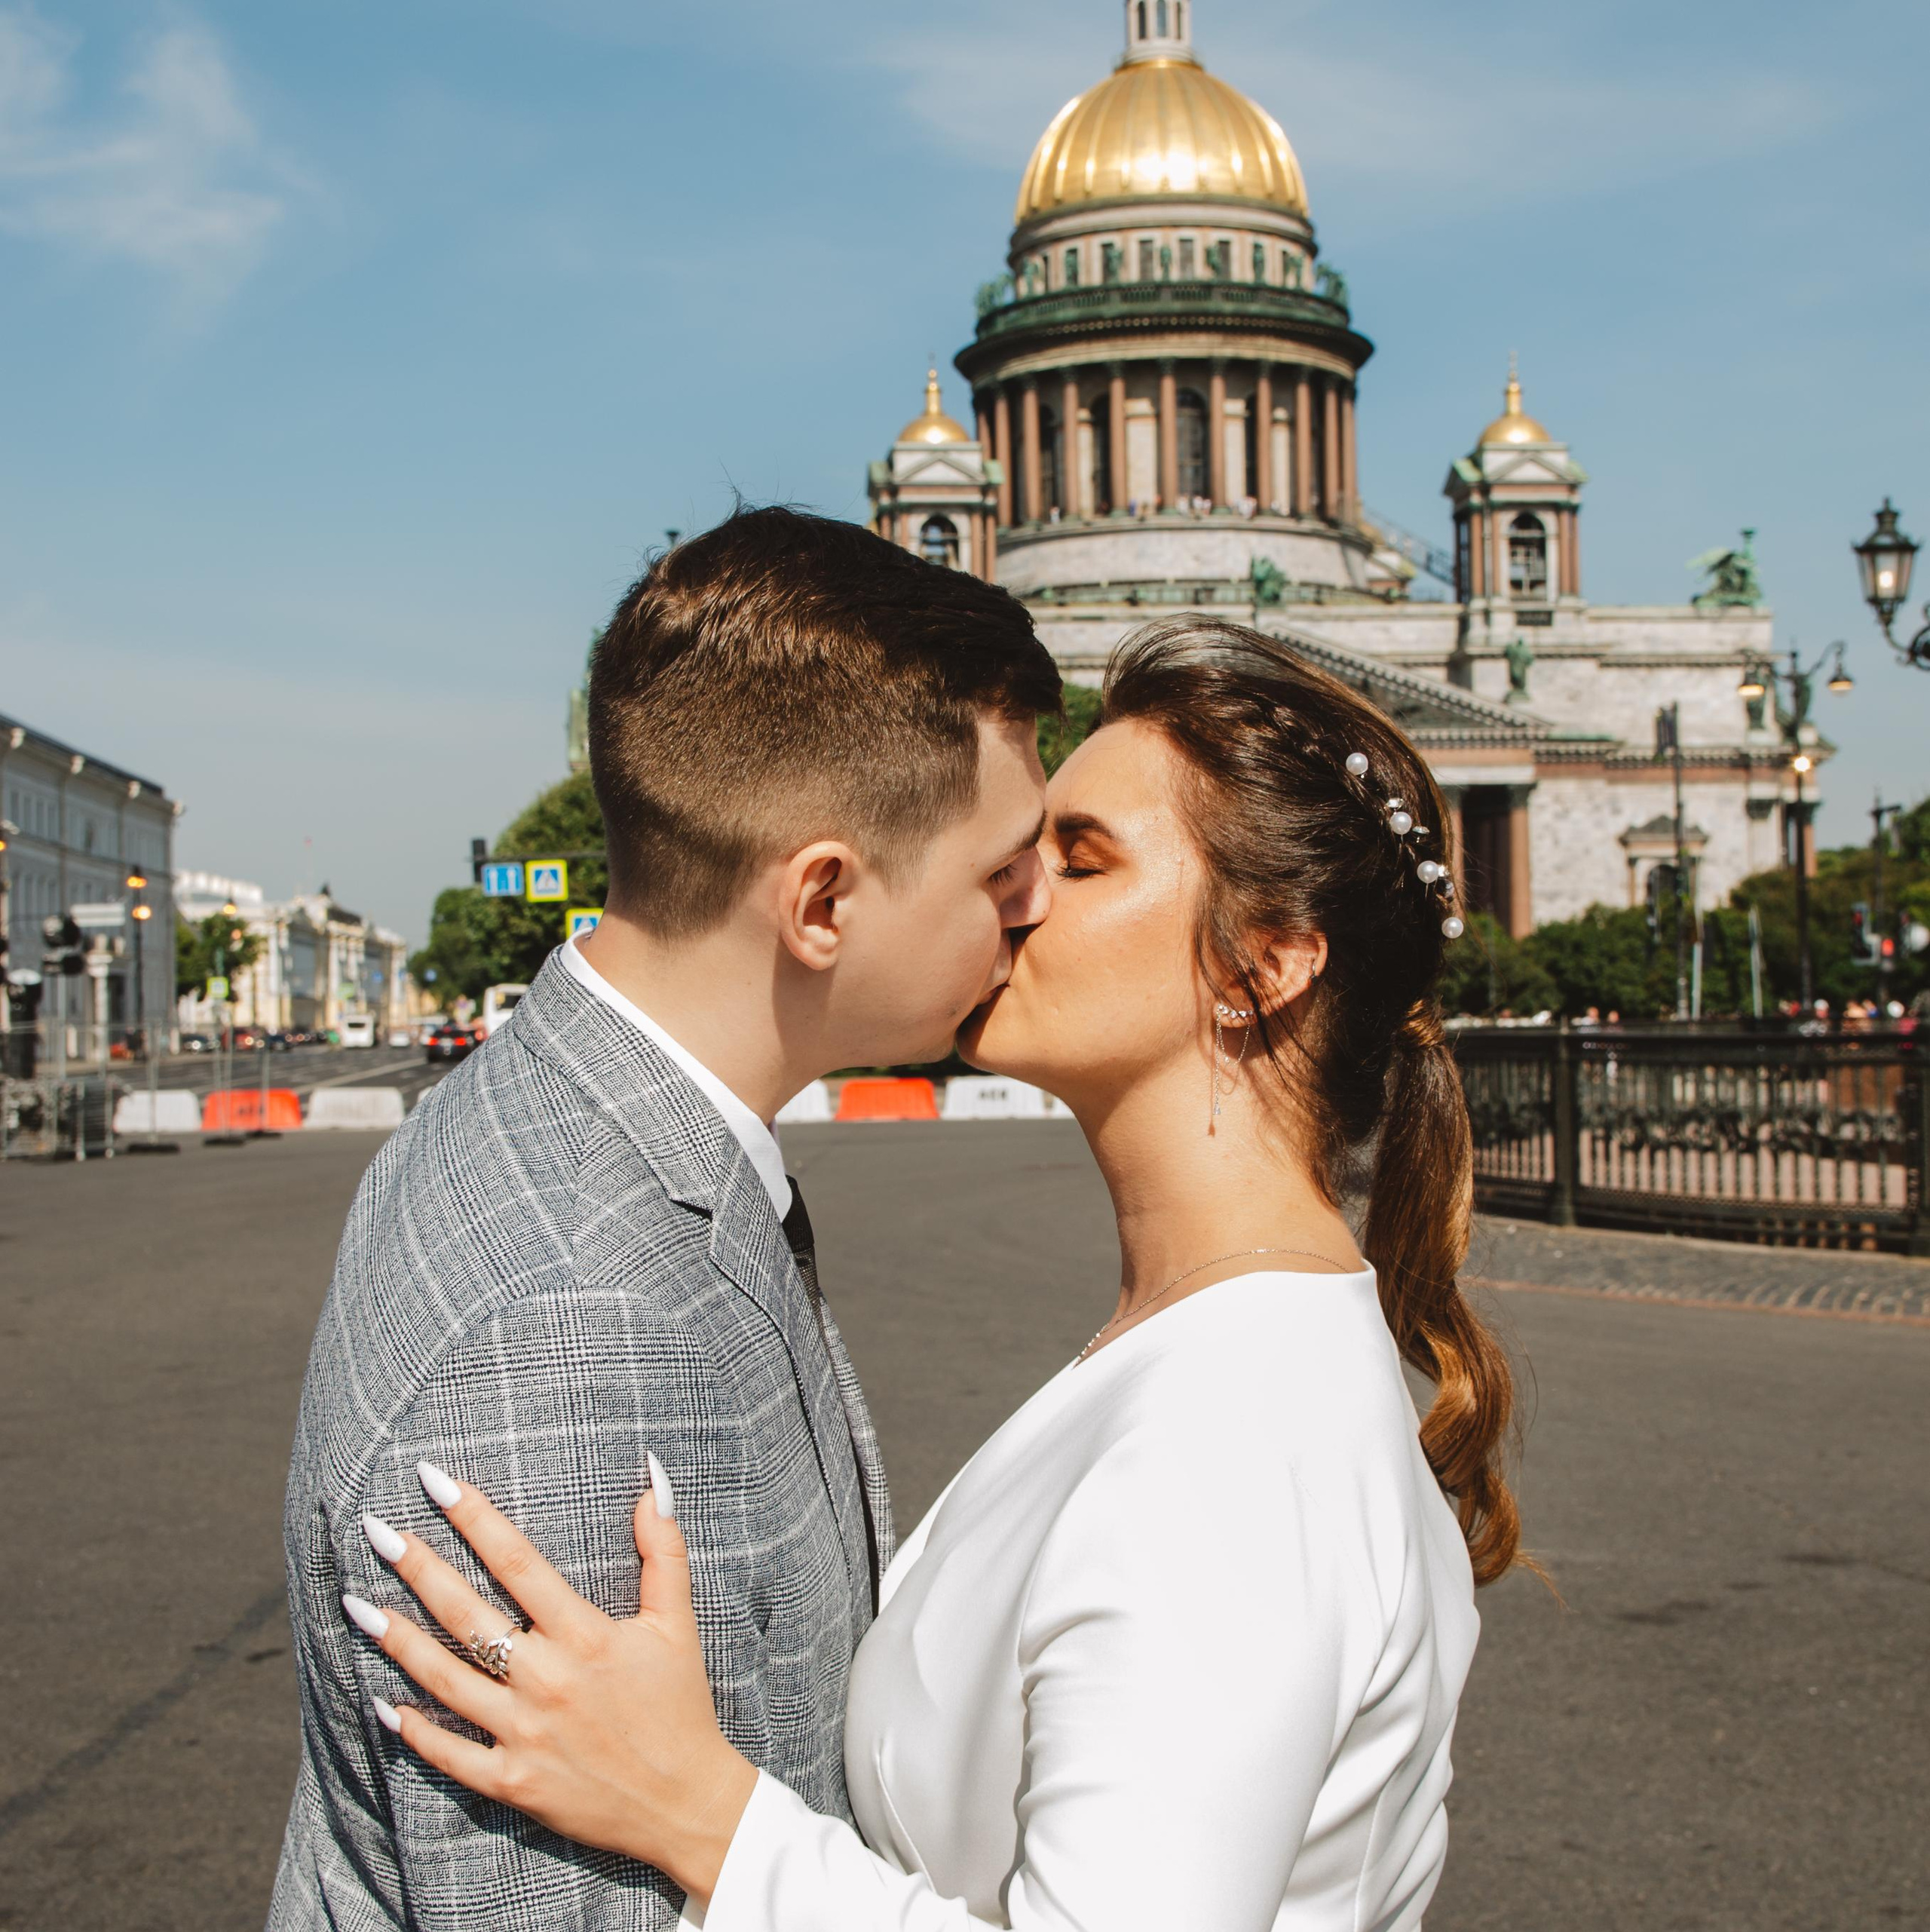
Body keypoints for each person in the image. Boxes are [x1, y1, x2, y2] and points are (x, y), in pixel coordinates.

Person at [348, 618, 1527, 1930]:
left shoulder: (1236, 1436)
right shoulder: (1207, 1346)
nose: (1014, 895)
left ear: (1263, 963)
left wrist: (702, 1814)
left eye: (1078, 860)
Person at [270, 504, 1061, 1928]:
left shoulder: (567, 1117)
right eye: (1004, 873)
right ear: (822, 899)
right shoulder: (571, 1336)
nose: (1038, 907)